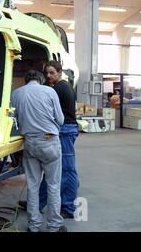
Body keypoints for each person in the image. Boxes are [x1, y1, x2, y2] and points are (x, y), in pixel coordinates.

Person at [11, 70, 66, 232]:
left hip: (29, 143)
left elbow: (13, 120)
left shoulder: (16, 94)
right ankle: (54, 226)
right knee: (53, 185)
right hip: (49, 142)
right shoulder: (50, 91)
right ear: (41, 80)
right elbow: (61, 120)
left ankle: (33, 226)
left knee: (33, 186)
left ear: (26, 80)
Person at [38, 60, 79, 219]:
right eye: (46, 73)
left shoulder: (60, 88)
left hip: (65, 131)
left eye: (52, 73)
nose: (48, 76)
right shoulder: (61, 86)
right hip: (64, 130)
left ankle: (68, 208)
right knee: (52, 170)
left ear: (60, 72)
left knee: (67, 170)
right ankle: (39, 202)